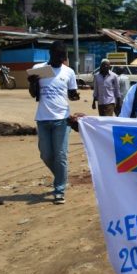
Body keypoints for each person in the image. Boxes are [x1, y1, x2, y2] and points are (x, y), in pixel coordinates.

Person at [28, 40, 79, 205]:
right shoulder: (39, 70)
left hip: (62, 120)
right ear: (51, 54)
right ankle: (61, 177)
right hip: (43, 119)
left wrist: (75, 96)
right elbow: (33, 94)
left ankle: (59, 190)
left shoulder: (69, 72)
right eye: (58, 56)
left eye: (63, 56)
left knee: (61, 155)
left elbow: (72, 93)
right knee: (46, 155)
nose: (61, 59)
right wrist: (33, 83)